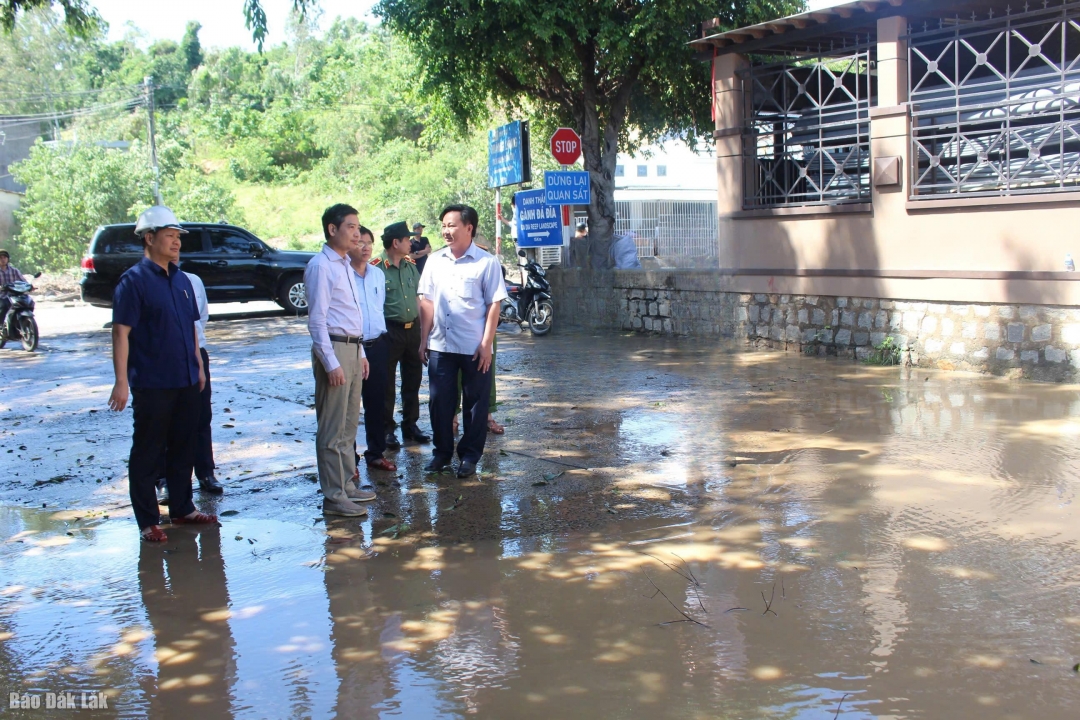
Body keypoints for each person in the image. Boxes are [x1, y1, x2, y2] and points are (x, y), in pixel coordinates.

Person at [107, 206, 217, 543]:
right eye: (169, 236)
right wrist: (121, 381)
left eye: (178, 236)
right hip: (153, 382)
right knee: (149, 450)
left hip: (187, 378)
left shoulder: (183, 281)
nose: (176, 242)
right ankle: (148, 521)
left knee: (184, 444)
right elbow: (121, 332)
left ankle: (182, 508)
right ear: (149, 238)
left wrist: (199, 367)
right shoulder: (133, 282)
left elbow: (192, 328)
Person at [418, 204, 507, 478]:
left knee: (476, 404)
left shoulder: (486, 262)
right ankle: (441, 453)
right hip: (440, 345)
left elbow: (494, 305)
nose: (446, 231)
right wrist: (423, 340)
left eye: (452, 225)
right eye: (444, 225)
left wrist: (486, 344)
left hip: (474, 347)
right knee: (439, 403)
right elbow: (427, 301)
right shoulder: (434, 261)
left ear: (469, 228)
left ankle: (469, 456)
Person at [305, 203, 373, 518]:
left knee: (348, 425)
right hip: (334, 349)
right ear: (332, 229)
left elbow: (350, 314)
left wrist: (361, 353)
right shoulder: (321, 266)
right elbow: (317, 320)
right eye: (350, 227)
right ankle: (333, 496)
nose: (357, 234)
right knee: (332, 427)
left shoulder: (344, 263)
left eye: (358, 227)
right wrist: (330, 362)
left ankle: (346, 485)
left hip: (352, 348)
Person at [156, 271, 224, 505]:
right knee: (165, 419)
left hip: (195, 353)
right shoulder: (143, 281)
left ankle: (205, 472)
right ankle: (164, 479)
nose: (174, 252)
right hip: (164, 355)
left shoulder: (192, 280)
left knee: (201, 415)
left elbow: (200, 318)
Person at [377, 221, 431, 450]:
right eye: (407, 239)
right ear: (395, 243)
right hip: (390, 330)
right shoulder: (376, 268)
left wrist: (424, 331)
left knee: (413, 380)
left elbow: (419, 298)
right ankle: (387, 430)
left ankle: (410, 425)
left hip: (412, 330)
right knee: (386, 384)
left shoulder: (410, 266)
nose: (410, 242)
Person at [348, 226, 397, 473]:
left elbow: (378, 309)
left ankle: (375, 454)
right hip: (351, 348)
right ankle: (349, 461)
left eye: (369, 243)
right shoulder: (342, 274)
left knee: (377, 403)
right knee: (348, 407)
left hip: (377, 345)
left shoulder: (377, 274)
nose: (365, 247)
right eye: (360, 242)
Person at [0, 249, 27, 328]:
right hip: (2, 296)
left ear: (8, 259)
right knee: (4, 306)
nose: (3, 259)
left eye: (5, 257)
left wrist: (29, 286)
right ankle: (1, 326)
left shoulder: (14, 270)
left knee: (27, 303)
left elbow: (23, 281)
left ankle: (23, 323)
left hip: (15, 295)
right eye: (0, 258)